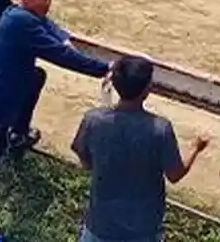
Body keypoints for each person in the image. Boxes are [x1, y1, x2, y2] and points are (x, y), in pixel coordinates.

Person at [0, 0, 110, 236]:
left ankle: (17, 134)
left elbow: (51, 28)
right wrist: (104, 68)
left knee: (35, 77)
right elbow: (62, 55)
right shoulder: (24, 25)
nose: (47, 3)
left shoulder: (16, 14)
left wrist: (63, 36)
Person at [72, 55, 210, 242]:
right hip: (143, 227)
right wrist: (196, 149)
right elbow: (175, 174)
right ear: (146, 90)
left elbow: (82, 154)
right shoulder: (160, 129)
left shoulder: (93, 120)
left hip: (100, 224)